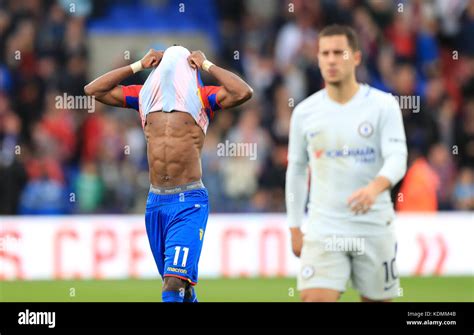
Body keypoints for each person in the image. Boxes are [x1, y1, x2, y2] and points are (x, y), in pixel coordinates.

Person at [84, 45, 253, 302]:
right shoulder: (143, 97)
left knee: (172, 285)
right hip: (156, 202)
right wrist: (138, 65)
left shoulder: (201, 96)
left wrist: (207, 65)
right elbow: (92, 90)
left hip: (189, 202)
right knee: (180, 288)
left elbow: (243, 91)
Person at [285, 25, 407, 302]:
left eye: (339, 53)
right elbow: (296, 169)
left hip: (373, 224)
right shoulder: (305, 112)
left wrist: (374, 188)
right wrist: (294, 226)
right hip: (324, 228)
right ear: (317, 59)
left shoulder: (383, 105)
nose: (331, 59)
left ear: (356, 58)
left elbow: (398, 157)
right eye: (324, 53)